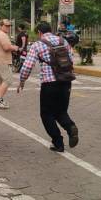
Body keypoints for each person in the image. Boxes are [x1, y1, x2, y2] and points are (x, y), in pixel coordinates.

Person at [18, 22, 78, 152]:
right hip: (66, 81)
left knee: (46, 114)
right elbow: (71, 60)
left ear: (40, 32)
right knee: (61, 111)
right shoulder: (64, 42)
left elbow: (28, 66)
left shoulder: (38, 44)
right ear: (51, 30)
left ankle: (58, 143)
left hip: (49, 84)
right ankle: (70, 126)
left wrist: (22, 80)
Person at [0, 19, 19, 109]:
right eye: (6, 26)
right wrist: (15, 48)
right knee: (8, 80)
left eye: (9, 26)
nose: (8, 27)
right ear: (1, 26)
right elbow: (6, 47)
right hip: (2, 61)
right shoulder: (2, 35)